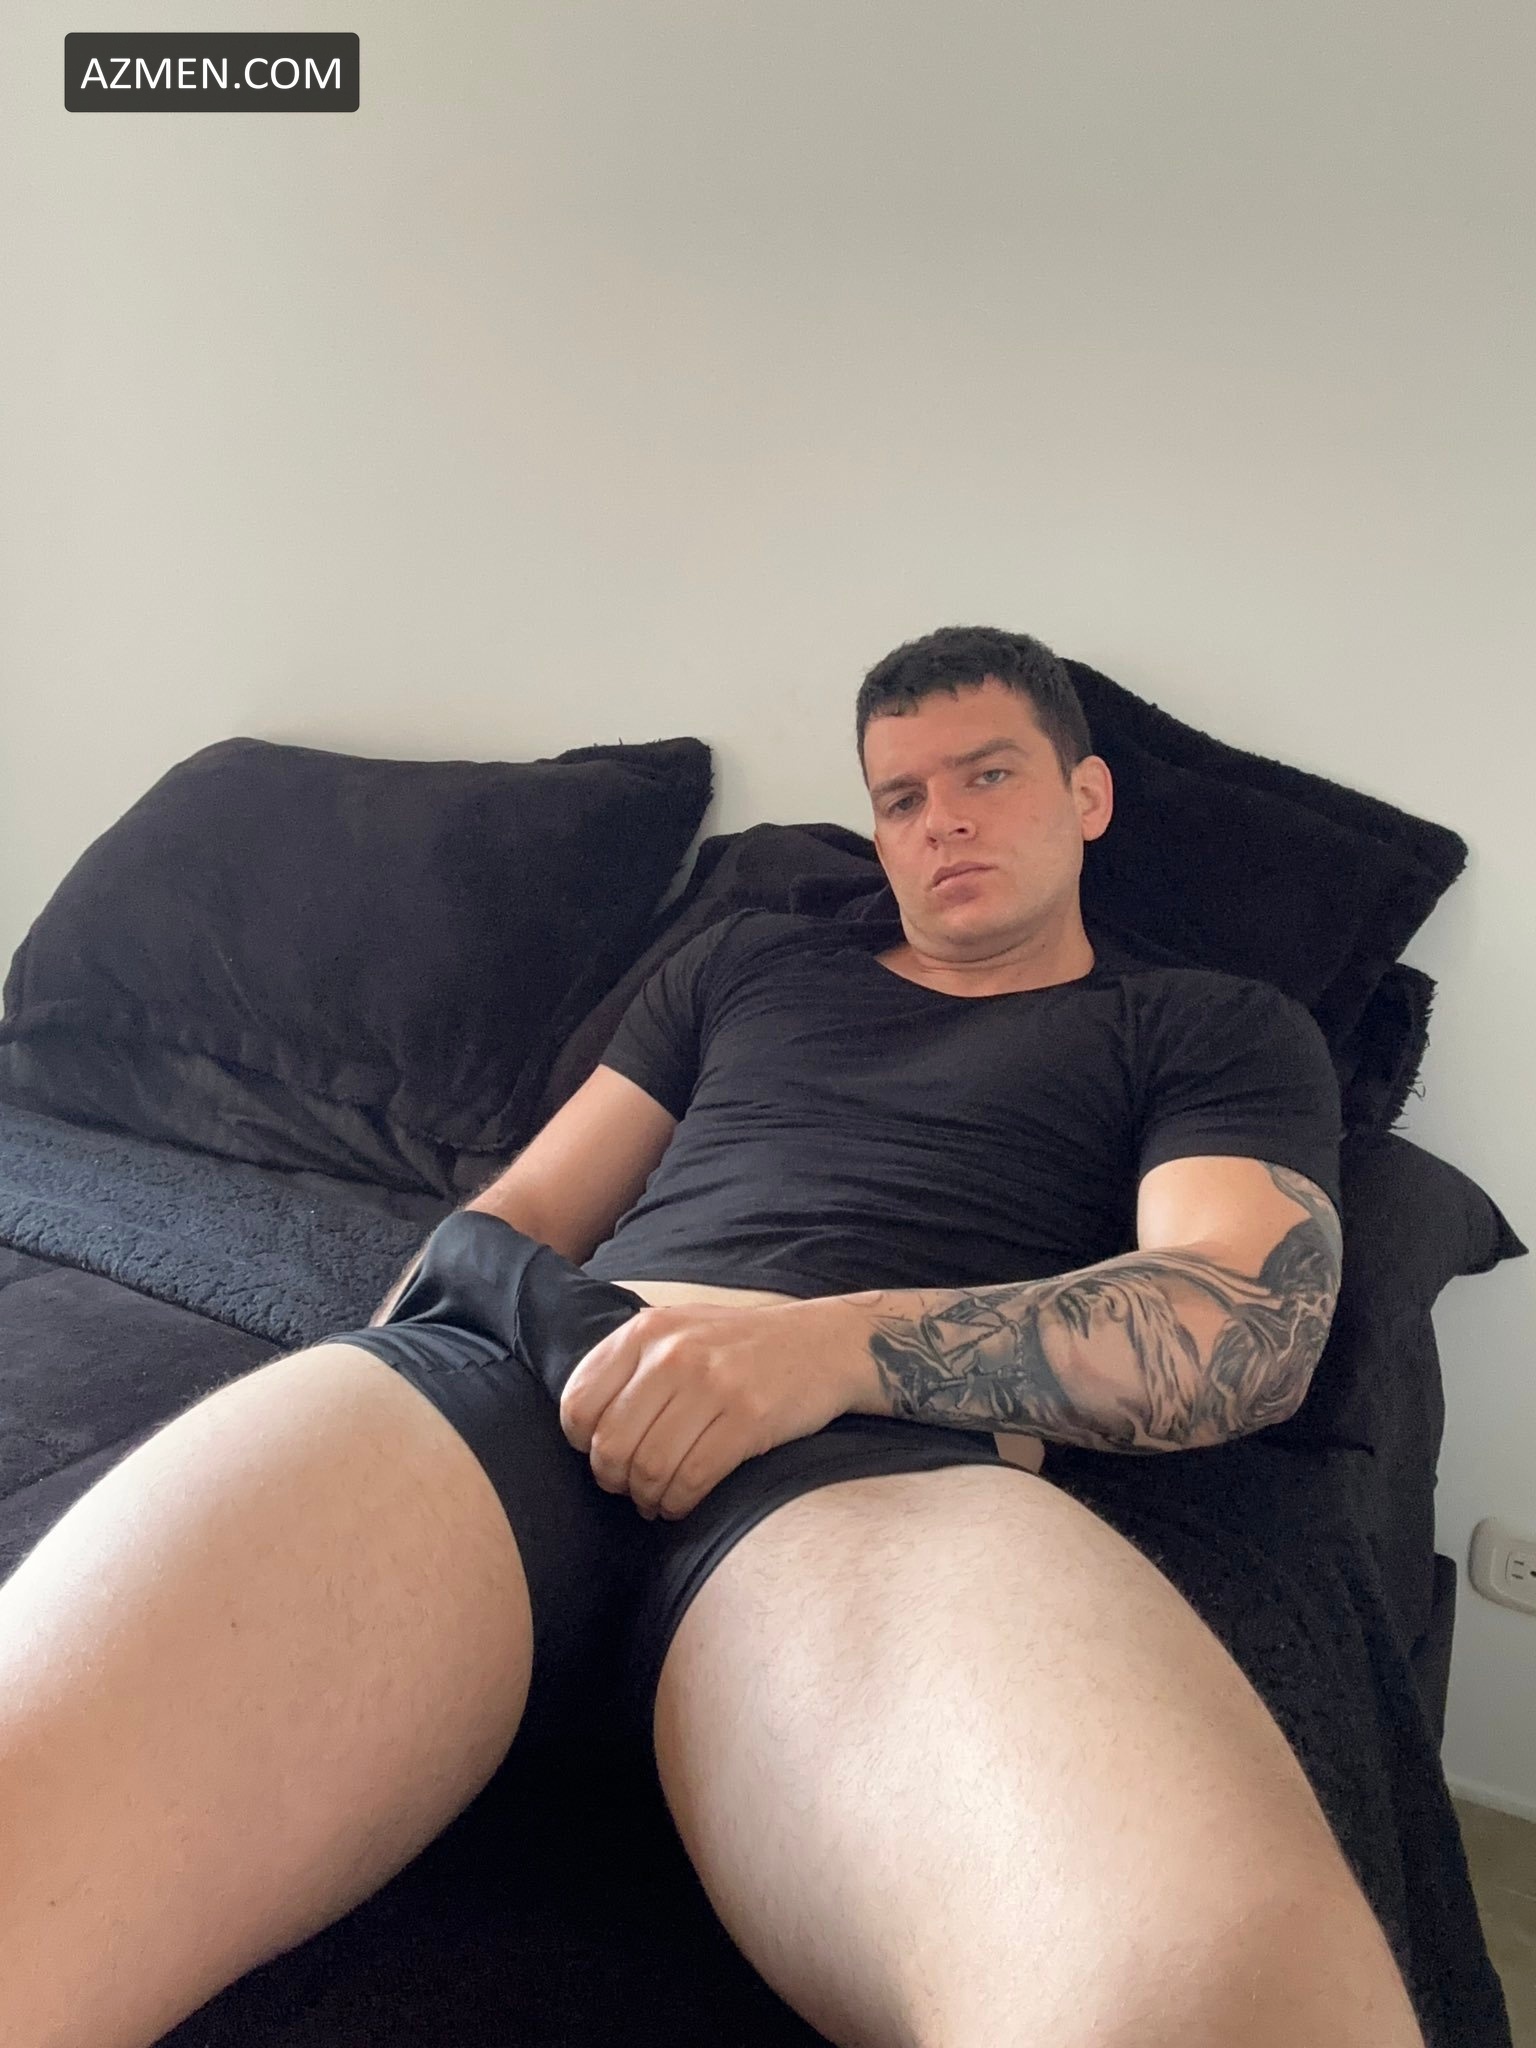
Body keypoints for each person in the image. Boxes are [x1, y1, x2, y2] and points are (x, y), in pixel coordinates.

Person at [0, 626, 1427, 2048]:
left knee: (1205, 1986)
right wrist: (376, 1380)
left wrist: (827, 1350)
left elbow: (1246, 1317)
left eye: (987, 775)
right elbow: (525, 1212)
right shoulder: (748, 965)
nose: (942, 821)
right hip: (540, 1377)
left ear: (1088, 796)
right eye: (901, 797)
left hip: (877, 1463)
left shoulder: (1209, 1025)